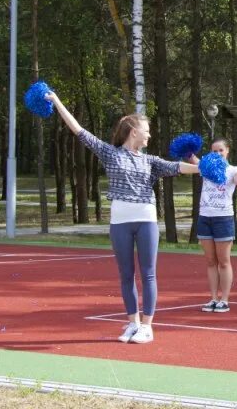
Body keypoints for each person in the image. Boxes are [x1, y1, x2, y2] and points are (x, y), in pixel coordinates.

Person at [47, 92, 197, 344]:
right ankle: (132, 323)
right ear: (133, 131)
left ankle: (147, 326)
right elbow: (79, 131)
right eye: (146, 130)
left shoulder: (151, 161)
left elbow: (179, 167)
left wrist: (214, 169)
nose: (149, 135)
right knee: (126, 275)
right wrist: (56, 101)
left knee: (148, 273)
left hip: (146, 220)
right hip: (119, 222)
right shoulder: (111, 154)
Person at [198, 138, 237, 314]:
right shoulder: (206, 168)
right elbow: (196, 163)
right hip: (205, 217)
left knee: (223, 261)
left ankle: (224, 299)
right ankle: (213, 298)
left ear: (227, 151)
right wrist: (188, 153)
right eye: (214, 151)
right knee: (210, 261)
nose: (217, 154)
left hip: (223, 219)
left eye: (220, 150)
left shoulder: (233, 169)